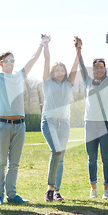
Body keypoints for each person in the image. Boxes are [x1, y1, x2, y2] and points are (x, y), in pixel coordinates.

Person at [0, 35, 43, 205]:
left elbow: (33, 59)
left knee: (14, 163)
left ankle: (11, 195)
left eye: (12, 60)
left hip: (20, 126)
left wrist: (42, 43)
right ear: (1, 63)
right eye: (7, 61)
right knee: (1, 162)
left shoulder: (19, 76)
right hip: (3, 125)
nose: (10, 63)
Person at [41, 35, 80, 202]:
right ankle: (49, 190)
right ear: (52, 72)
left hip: (64, 124)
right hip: (49, 122)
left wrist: (78, 50)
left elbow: (75, 66)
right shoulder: (47, 83)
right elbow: (47, 60)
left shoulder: (67, 84)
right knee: (56, 151)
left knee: (60, 157)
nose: (60, 72)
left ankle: (56, 192)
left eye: (62, 70)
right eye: (57, 70)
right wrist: (46, 44)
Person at [78, 34, 108, 199]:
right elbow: (80, 66)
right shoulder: (87, 83)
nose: (99, 69)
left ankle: (106, 190)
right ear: (93, 70)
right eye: (96, 67)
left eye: (102, 67)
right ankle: (93, 189)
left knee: (106, 158)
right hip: (90, 124)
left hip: (105, 125)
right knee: (91, 158)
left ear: (105, 69)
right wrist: (79, 49)